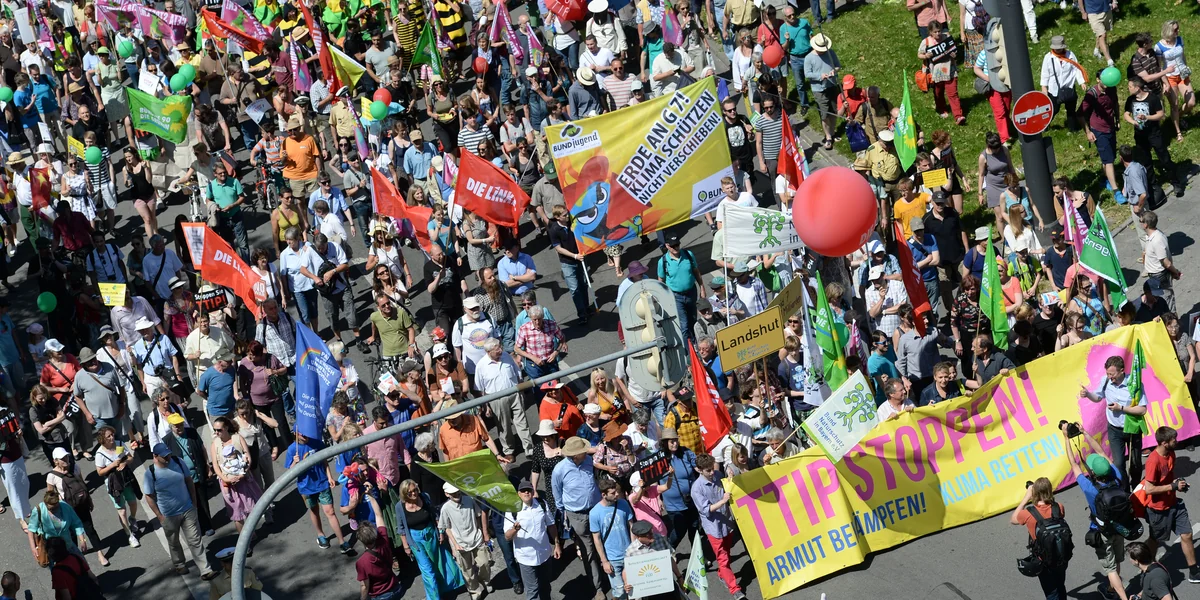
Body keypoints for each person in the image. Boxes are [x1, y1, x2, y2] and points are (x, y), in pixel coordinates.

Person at [1062, 421, 1128, 600]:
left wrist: (1066, 438)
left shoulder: (1090, 488)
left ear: (1094, 473)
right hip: (1120, 526)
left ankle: (1122, 597)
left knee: (1110, 568)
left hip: (1102, 530)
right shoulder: (1117, 476)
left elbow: (1074, 464)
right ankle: (1111, 590)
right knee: (1116, 560)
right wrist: (1084, 432)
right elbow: (1102, 453)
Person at [143, 442, 218, 579]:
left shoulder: (178, 462)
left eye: (168, 454)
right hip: (168, 515)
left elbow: (189, 481)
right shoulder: (151, 473)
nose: (168, 458)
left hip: (188, 509)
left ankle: (205, 570)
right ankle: (179, 564)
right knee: (174, 542)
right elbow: (149, 496)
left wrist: (194, 503)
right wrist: (159, 516)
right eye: (164, 456)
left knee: (195, 540)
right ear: (155, 456)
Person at [1143, 426, 1200, 582]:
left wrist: (1178, 483)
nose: (1177, 441)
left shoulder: (1171, 453)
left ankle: (1194, 571)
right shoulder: (1153, 461)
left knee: (1187, 534)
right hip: (1158, 510)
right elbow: (1149, 489)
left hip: (1174, 503)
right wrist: (1173, 486)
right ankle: (1146, 565)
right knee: (1155, 540)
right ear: (1164, 443)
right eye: (1173, 439)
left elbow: (1168, 478)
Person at [1079, 356, 1145, 486]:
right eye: (1108, 374)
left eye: (1112, 374)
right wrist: (1088, 394)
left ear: (1122, 370)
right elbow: (1098, 397)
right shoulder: (1106, 381)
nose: (1110, 377)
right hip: (1114, 429)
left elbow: (1142, 410)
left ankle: (1136, 486)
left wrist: (1121, 408)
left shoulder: (1134, 384)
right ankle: (1124, 489)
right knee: (1118, 463)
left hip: (1132, 429)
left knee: (1135, 463)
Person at [553, 436, 605, 597]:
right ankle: (598, 588)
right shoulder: (560, 470)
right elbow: (557, 493)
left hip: (596, 509)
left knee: (605, 541)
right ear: (575, 455)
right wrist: (565, 514)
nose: (587, 452)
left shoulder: (588, 461)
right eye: (583, 451)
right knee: (588, 550)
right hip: (577, 515)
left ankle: (611, 573)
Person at [397, 479, 466, 599]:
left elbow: (435, 515)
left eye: (415, 490)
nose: (414, 493)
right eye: (410, 492)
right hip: (415, 540)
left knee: (439, 563)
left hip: (431, 534)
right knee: (427, 570)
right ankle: (434, 597)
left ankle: (444, 588)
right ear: (404, 494)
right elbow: (401, 527)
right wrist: (406, 546)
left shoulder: (425, 497)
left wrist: (441, 532)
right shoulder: (399, 507)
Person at [286, 430, 353, 553]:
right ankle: (320, 535)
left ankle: (342, 542)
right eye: (300, 433)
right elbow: (290, 472)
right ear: (295, 433)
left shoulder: (317, 443)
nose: (303, 435)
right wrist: (295, 462)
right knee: (314, 511)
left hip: (322, 483)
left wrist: (329, 477)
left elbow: (324, 461)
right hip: (306, 487)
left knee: (330, 512)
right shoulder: (292, 449)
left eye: (305, 432)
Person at [692, 453, 746, 600]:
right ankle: (735, 589)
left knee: (727, 553)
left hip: (727, 523)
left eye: (712, 468)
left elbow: (728, 484)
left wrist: (730, 476)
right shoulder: (697, 488)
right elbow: (706, 509)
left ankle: (722, 575)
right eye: (708, 470)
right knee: (723, 559)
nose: (712, 472)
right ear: (699, 470)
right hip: (714, 528)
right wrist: (723, 501)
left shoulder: (718, 475)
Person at [1011, 477, 1070, 600]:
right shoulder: (1059, 507)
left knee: (1051, 592)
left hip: (1044, 560)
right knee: (1060, 586)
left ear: (1035, 493)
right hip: (1061, 555)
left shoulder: (1028, 513)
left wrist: (1027, 497)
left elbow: (1013, 519)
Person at [475, 337, 533, 460]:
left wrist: (521, 389)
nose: (501, 350)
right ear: (488, 352)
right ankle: (509, 450)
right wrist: (486, 406)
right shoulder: (481, 366)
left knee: (522, 422)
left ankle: (529, 449)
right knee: (504, 426)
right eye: (497, 350)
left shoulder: (506, 356)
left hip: (514, 393)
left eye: (500, 347)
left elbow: (517, 372)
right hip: (497, 399)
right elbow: (480, 388)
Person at [507, 478, 562, 600]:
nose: (526, 492)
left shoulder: (542, 504)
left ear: (533, 492)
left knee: (546, 587)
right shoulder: (512, 510)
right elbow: (507, 536)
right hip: (526, 558)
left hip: (544, 555)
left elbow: (551, 525)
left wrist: (557, 545)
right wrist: (514, 529)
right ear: (519, 494)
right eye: (523, 491)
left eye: (528, 490)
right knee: (532, 592)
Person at [440, 483, 493, 599]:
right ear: (447, 494)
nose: (456, 494)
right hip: (461, 543)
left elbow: (478, 515)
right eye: (453, 493)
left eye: (457, 491)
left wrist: (481, 532)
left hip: (476, 538)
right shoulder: (445, 508)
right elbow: (446, 528)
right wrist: (455, 544)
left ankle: (486, 581)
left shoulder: (469, 500)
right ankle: (474, 592)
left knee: (484, 563)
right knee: (467, 571)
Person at [356, 491, 401, 600]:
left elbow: (365, 586)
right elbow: (378, 515)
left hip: (380, 595)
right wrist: (370, 496)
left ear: (362, 540)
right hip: (396, 588)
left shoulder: (362, 562)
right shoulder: (384, 540)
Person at [1141, 211, 1180, 313]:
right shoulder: (1151, 236)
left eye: (1141, 221)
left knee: (1166, 302)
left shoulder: (1157, 240)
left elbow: (1166, 262)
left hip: (1159, 277)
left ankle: (1172, 319)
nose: (1140, 223)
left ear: (1145, 224)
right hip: (1155, 276)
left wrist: (1175, 272)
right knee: (1159, 302)